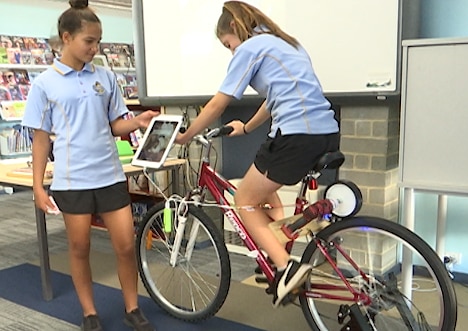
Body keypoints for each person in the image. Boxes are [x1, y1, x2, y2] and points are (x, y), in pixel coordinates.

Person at [175, 1, 340, 307]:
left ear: (235, 29)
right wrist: (247, 127)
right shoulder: (288, 43)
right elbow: (272, 99)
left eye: (228, 45)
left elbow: (216, 105)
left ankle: (285, 265)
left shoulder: (250, 49)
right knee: (264, 188)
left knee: (243, 201)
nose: (231, 51)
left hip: (295, 135)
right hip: (325, 133)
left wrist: (185, 136)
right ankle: (276, 250)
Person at [21, 1, 157, 330]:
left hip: (109, 175)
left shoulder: (105, 76)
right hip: (72, 179)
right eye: (89, 41)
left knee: (126, 245)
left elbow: (114, 124)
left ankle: (132, 307)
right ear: (66, 38)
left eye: (98, 42)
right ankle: (89, 313)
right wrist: (39, 187)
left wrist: (137, 121)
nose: (95, 48)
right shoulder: (44, 84)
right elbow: (41, 140)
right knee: (79, 248)